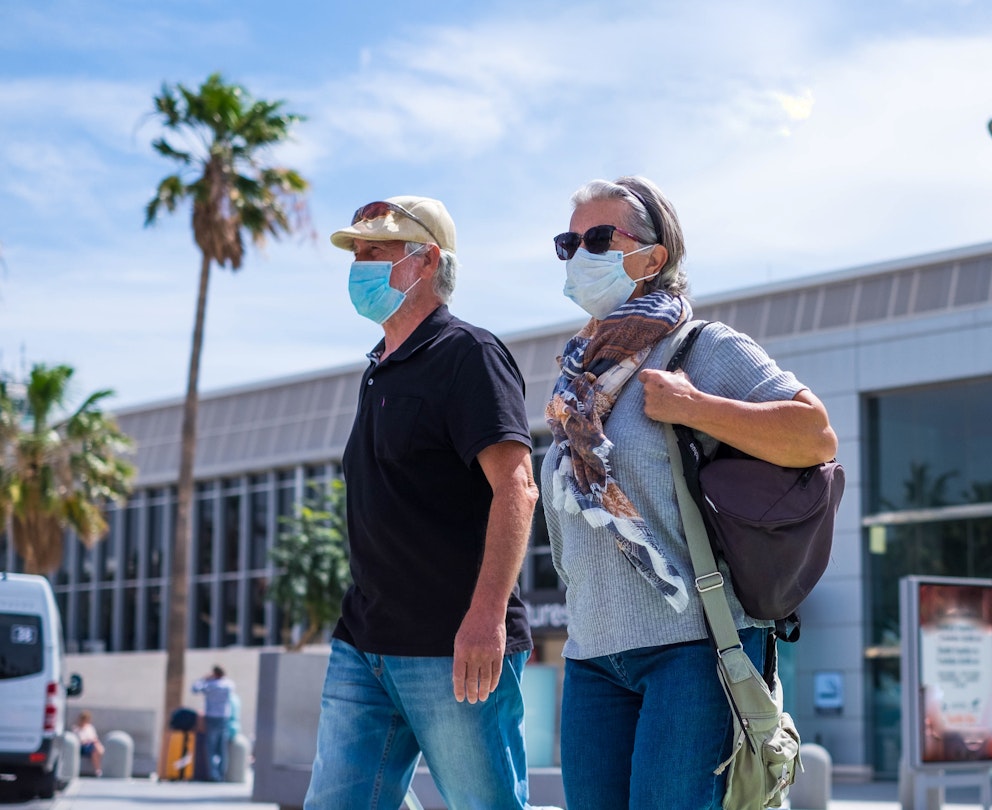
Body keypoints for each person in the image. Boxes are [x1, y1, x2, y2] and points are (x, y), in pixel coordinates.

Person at [541, 176, 838, 808]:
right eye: (570, 243)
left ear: (653, 257)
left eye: (599, 238)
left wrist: (694, 407)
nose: (580, 254)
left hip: (692, 649)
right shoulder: (579, 376)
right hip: (593, 654)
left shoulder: (701, 347)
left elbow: (815, 436)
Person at [304, 197, 537, 810]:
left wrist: (486, 617)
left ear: (427, 260)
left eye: (374, 252)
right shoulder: (377, 369)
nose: (359, 265)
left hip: (454, 649)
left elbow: (517, 488)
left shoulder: (469, 355)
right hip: (363, 643)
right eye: (356, 253)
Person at [190, 665, 235, 781]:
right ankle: (222, 774)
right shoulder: (228, 684)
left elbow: (194, 689)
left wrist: (203, 679)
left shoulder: (210, 686)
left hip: (211, 717)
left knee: (211, 747)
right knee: (222, 748)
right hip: (224, 717)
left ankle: (213, 774)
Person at [72, 710, 104, 777]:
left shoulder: (90, 727)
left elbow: (94, 738)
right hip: (82, 747)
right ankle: (98, 769)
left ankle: (98, 769)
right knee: (94, 750)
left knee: (94, 749)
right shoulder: (76, 728)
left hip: (91, 745)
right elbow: (79, 741)